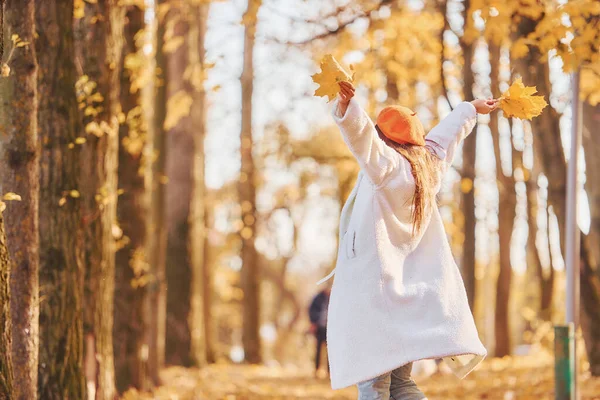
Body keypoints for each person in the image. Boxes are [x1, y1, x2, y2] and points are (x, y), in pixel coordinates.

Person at [319, 81, 498, 400]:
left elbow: (363, 139)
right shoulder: (429, 169)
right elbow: (446, 136)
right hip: (406, 302)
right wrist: (469, 108)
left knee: (372, 385)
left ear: (384, 137)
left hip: (375, 299)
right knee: (401, 384)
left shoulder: (386, 168)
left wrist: (349, 109)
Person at [308, 286, 331, 377]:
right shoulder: (318, 298)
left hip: (329, 328)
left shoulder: (333, 297)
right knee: (318, 349)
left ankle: (330, 372)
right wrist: (314, 322)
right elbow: (311, 310)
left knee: (330, 351)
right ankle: (316, 370)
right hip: (320, 327)